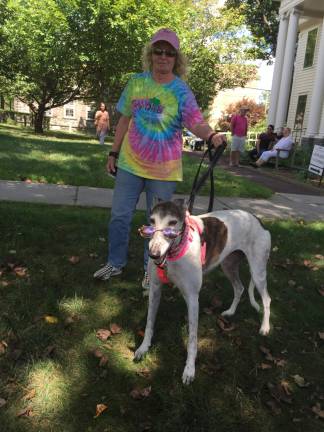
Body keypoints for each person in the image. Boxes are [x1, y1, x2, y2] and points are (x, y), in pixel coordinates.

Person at [93, 28, 225, 292]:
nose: (163, 56)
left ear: (176, 58)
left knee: (158, 227)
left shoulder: (181, 91)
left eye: (169, 52)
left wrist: (210, 134)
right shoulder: (136, 83)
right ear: (150, 54)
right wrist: (113, 152)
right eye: (158, 51)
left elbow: (195, 121)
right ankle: (115, 262)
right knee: (119, 216)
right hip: (130, 165)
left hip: (163, 170)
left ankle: (149, 270)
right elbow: (124, 120)